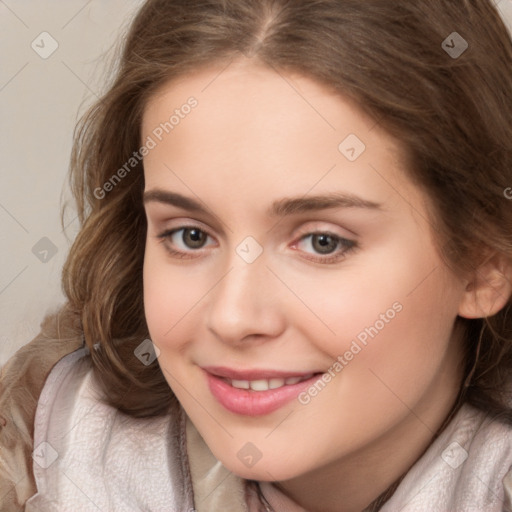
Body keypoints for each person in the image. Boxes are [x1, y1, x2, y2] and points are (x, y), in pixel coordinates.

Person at [2, 0, 512, 510]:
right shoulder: (54, 453)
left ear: (484, 263)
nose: (232, 317)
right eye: (190, 236)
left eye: (322, 242)